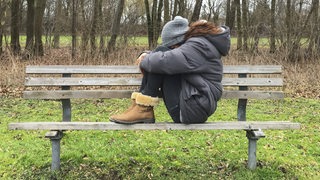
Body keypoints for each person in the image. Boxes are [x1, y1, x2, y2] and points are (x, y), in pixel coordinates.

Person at [110, 16, 230, 124]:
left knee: (160, 58)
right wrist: (148, 55)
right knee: (160, 56)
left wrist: (147, 58)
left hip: (192, 109)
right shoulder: (201, 44)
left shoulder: (198, 46)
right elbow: (171, 57)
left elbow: (165, 60)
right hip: (193, 104)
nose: (172, 49)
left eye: (172, 46)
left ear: (180, 40)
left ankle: (142, 108)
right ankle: (139, 107)